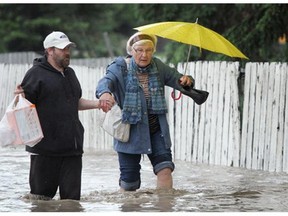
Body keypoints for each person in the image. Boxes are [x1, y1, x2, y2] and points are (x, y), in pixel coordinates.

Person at [96, 32, 206, 191]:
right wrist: (104, 93)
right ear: (131, 51)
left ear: (153, 51)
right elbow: (105, 82)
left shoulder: (158, 66)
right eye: (139, 50)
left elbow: (178, 79)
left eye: (148, 50)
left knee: (165, 170)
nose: (144, 54)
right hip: (129, 132)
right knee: (129, 183)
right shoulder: (119, 67)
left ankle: (164, 207)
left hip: (156, 130)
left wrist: (186, 80)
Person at [15, 31, 112, 200]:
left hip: (72, 150)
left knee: (72, 203)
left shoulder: (70, 73)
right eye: (63, 49)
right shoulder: (35, 74)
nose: (67, 52)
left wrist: (98, 104)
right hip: (45, 151)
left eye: (68, 48)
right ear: (50, 50)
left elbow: (75, 102)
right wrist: (20, 97)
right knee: (41, 202)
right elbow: (23, 110)